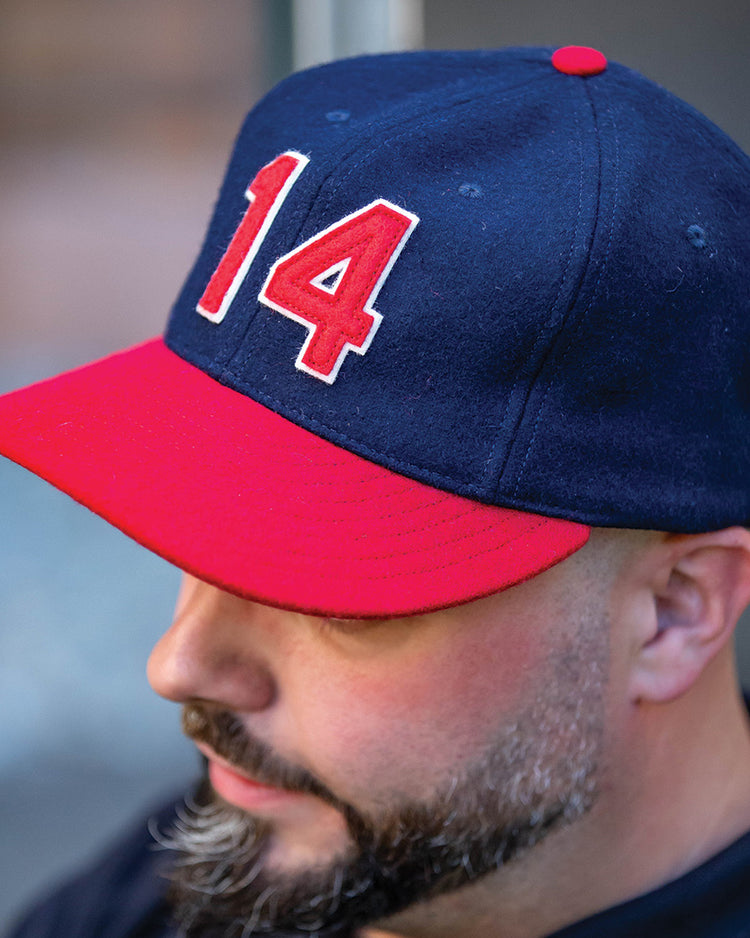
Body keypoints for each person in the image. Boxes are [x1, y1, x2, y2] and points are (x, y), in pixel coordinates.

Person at [2, 43, 750, 938]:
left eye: (330, 597)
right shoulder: (248, 852)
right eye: (203, 534)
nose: (180, 666)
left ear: (674, 611)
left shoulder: (333, 836)